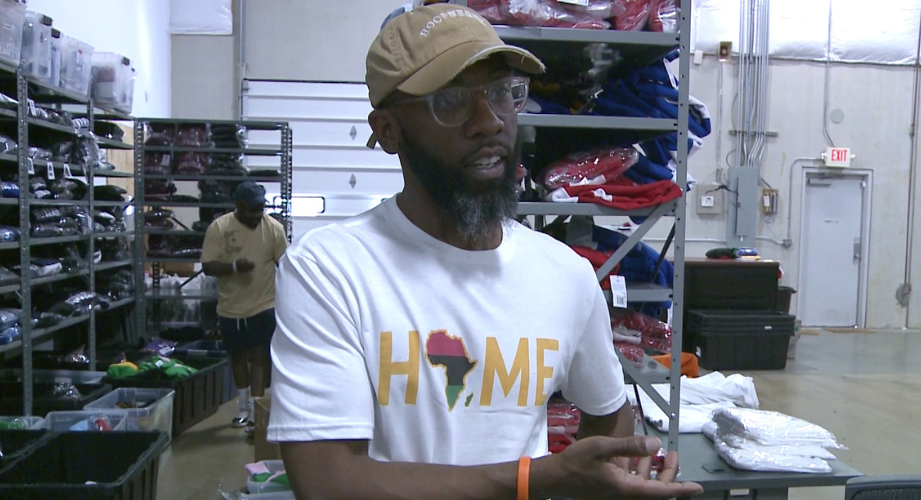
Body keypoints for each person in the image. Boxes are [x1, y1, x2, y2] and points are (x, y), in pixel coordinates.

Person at [269, 3, 703, 500]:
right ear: (388, 129)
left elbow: (610, 420)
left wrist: (616, 471)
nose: (489, 121)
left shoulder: (564, 273)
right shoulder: (330, 270)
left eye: (502, 93)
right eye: (451, 101)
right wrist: (534, 480)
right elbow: (328, 483)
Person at [201, 181, 287, 435]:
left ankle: (255, 410)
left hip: (264, 304)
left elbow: (285, 263)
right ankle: (242, 405)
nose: (257, 214)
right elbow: (208, 265)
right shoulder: (220, 228)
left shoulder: (273, 229)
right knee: (238, 357)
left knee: (260, 357)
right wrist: (235, 267)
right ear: (238, 206)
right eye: (251, 209)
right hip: (231, 307)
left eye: (261, 208)